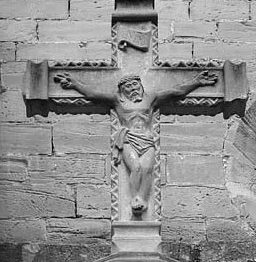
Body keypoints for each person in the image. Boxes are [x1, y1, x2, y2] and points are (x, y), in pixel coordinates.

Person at [54, 70, 217, 217]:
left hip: (146, 139)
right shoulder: (118, 100)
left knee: (147, 169)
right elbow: (94, 94)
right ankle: (135, 198)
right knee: (136, 167)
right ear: (122, 90)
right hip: (129, 138)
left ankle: (143, 199)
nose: (133, 88)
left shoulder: (151, 98)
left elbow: (176, 92)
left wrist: (197, 82)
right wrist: (75, 84)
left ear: (140, 85)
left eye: (135, 84)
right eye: (128, 86)